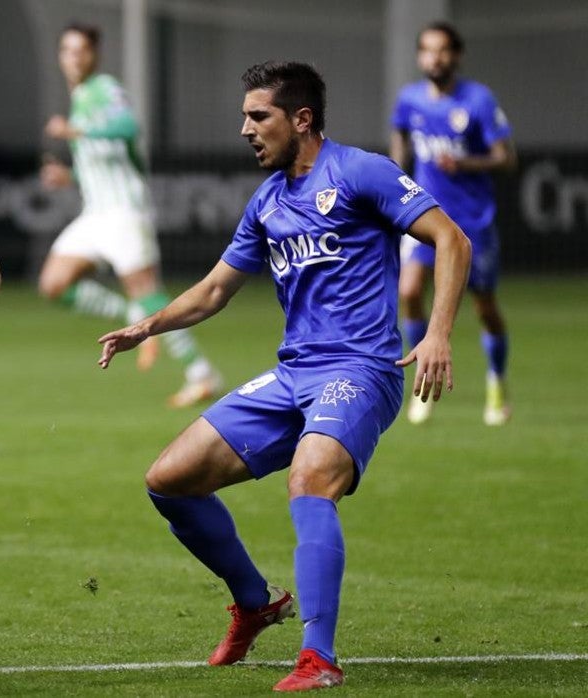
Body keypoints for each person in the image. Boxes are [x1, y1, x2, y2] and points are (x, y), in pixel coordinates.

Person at [98, 61, 469, 691]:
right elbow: (216, 289)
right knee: (169, 479)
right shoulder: (267, 200)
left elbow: (450, 239)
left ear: (301, 120)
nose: (245, 128)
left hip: (361, 370)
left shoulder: (360, 172)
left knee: (310, 478)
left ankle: (318, 658)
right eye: (245, 116)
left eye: (258, 116)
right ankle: (254, 601)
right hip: (293, 374)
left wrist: (436, 332)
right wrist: (147, 326)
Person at [40, 23, 220, 408]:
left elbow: (127, 126)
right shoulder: (80, 96)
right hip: (95, 215)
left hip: (124, 213)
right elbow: (105, 164)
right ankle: (133, 316)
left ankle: (201, 373)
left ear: (94, 55)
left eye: (80, 50)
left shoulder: (104, 89)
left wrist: (76, 129)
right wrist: (69, 176)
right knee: (54, 282)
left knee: (150, 295)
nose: (73, 57)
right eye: (66, 50)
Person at [390, 21, 517, 426]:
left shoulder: (478, 100)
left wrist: (464, 163)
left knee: (484, 307)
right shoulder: (409, 99)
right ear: (419, 57)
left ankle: (497, 380)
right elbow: (399, 147)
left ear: (456, 55)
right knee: (409, 290)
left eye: (442, 50)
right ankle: (423, 380)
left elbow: (506, 158)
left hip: (472, 222)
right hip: (425, 218)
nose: (435, 57)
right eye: (427, 50)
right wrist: (394, 184)